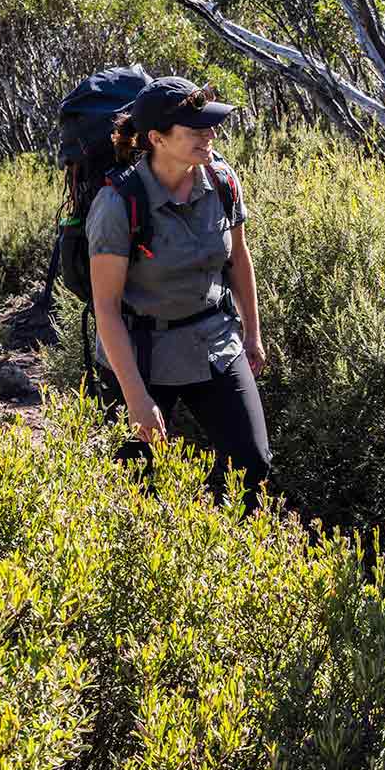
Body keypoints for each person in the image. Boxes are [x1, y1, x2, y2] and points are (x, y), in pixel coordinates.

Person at [87, 75, 273, 507]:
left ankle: (218, 549)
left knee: (252, 462)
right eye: (195, 130)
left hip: (214, 340)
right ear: (157, 138)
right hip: (141, 353)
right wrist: (136, 399)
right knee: (135, 484)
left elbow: (239, 260)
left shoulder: (222, 181)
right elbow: (107, 309)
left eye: (210, 127)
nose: (209, 136)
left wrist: (252, 334)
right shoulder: (118, 205)